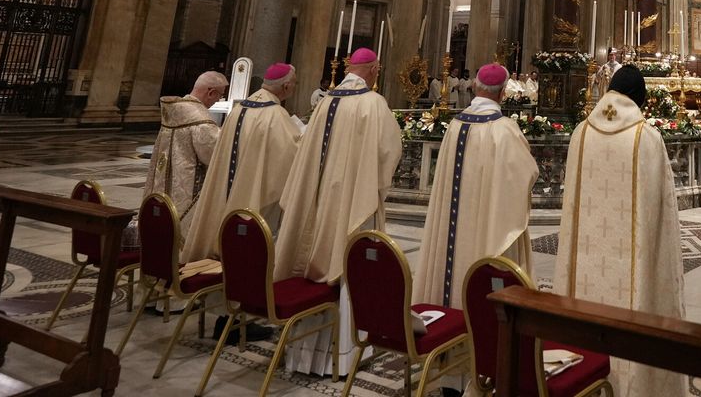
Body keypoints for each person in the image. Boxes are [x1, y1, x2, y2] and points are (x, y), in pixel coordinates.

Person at [555, 66, 685, 397]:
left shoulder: (580, 134)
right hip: (632, 271)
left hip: (584, 268)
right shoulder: (647, 138)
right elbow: (664, 210)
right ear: (640, 98)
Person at [273, 46, 402, 375]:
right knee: (349, 262)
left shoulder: (325, 102)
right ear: (373, 70)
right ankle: (346, 352)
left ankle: (304, 353)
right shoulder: (372, 104)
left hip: (316, 200)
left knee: (312, 262)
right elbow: (389, 151)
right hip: (350, 200)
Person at [415, 64, 538, 397]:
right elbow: (525, 175)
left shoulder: (456, 124)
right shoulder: (503, 128)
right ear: (502, 92)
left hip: (453, 229)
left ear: (475, 88)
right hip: (486, 229)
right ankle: (484, 367)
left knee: (450, 280)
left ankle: (450, 369)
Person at [182, 63, 303, 263]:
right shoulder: (275, 114)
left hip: (227, 186)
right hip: (252, 191)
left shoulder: (240, 109)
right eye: (295, 83)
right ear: (286, 87)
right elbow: (291, 156)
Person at [144, 70, 226, 236]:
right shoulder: (200, 118)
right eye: (219, 95)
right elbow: (215, 154)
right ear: (210, 92)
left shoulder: (176, 109)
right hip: (188, 187)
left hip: (163, 180)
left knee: (162, 217)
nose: (219, 100)